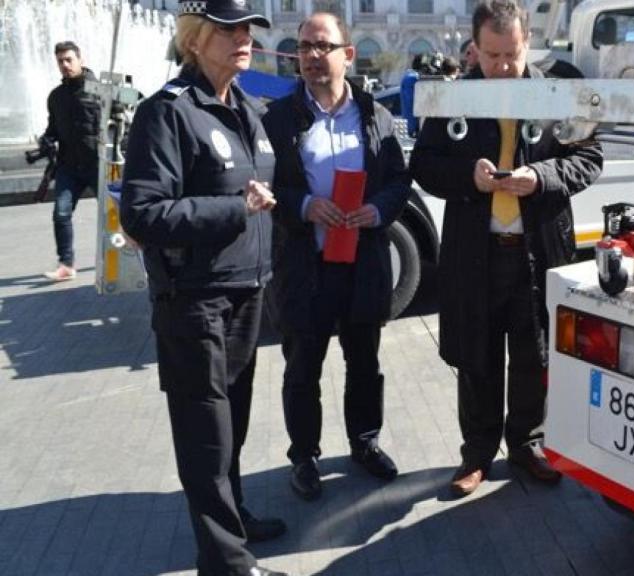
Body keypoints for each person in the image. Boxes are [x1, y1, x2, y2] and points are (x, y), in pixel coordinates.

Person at [119, 2, 287, 575]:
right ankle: (226, 563)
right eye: (229, 30)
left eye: (248, 29)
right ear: (195, 40)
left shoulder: (246, 109)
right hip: (194, 301)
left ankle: (232, 520)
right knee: (206, 437)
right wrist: (234, 208)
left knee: (231, 424)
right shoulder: (167, 113)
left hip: (246, 290)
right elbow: (141, 215)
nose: (244, 39)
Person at [409, 0, 603, 497]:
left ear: (526, 41)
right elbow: (425, 166)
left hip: (537, 250)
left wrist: (542, 176)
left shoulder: (556, 91)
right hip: (476, 253)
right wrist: (468, 178)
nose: (502, 68)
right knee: (476, 356)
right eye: (491, 56)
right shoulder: (455, 98)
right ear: (474, 48)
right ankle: (476, 453)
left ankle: (525, 443)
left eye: (511, 55)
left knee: (534, 354)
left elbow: (589, 157)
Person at [262, 12, 412, 501]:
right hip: (305, 268)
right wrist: (305, 205)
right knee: (302, 366)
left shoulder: (375, 115)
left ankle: (364, 443)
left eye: (321, 46)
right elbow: (266, 187)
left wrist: (377, 210)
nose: (309, 56)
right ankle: (304, 456)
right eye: (303, 47)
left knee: (364, 362)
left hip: (362, 262)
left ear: (347, 54)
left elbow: (397, 181)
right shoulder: (278, 119)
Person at [41, 41, 101, 282]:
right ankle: (66, 264)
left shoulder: (101, 89)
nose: (65, 65)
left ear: (80, 59)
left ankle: (136, 259)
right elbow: (53, 128)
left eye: (69, 59)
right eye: (60, 61)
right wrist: (46, 140)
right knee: (61, 214)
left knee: (118, 217)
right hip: (69, 166)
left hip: (100, 165)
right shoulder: (55, 97)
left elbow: (124, 120)